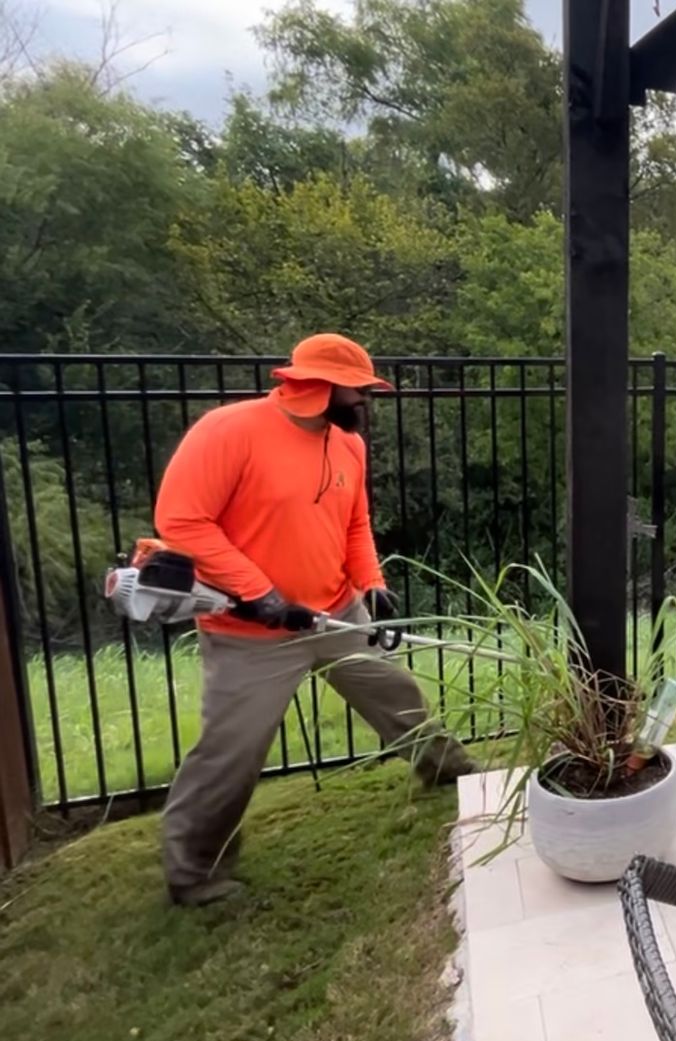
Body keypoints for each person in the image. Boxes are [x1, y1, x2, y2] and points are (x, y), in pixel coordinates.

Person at [153, 333, 473, 907]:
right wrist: (259, 593)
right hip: (252, 632)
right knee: (232, 750)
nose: (366, 404)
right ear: (320, 388)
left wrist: (372, 585)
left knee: (396, 695)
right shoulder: (230, 432)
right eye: (360, 392)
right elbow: (182, 521)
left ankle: (448, 771)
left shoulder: (346, 446)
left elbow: (355, 524)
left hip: (335, 611)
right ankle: (192, 872)